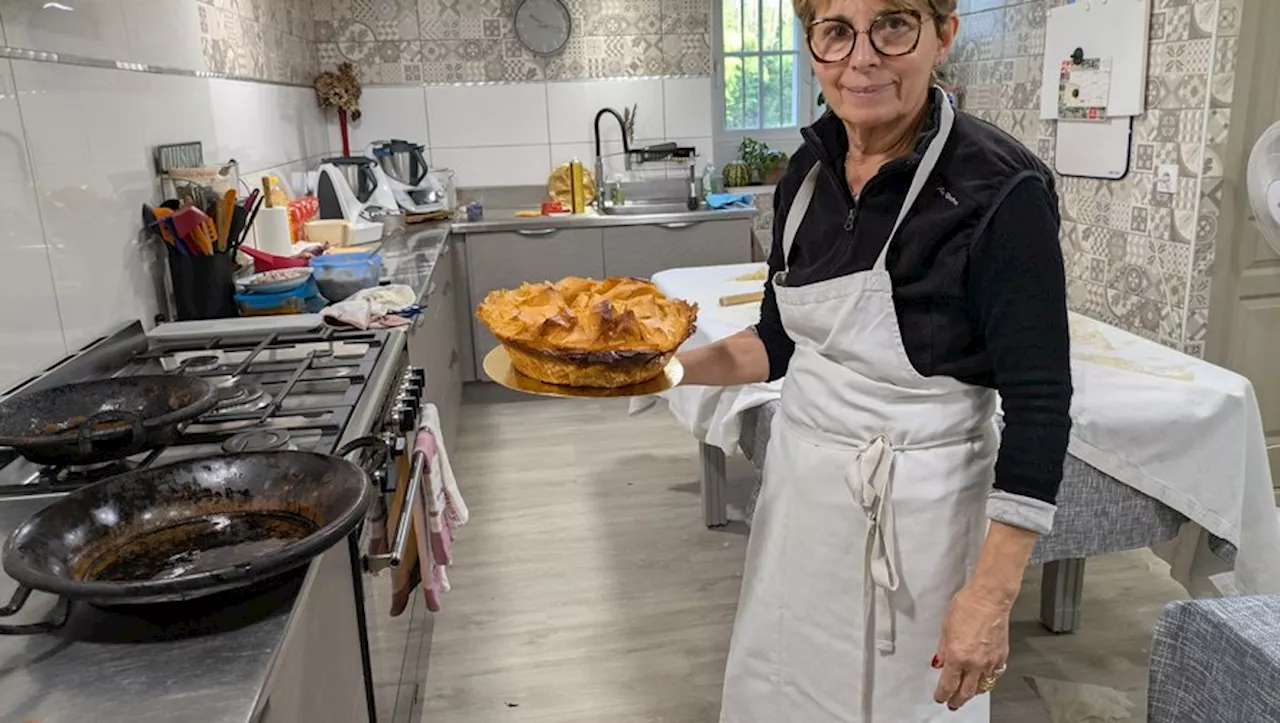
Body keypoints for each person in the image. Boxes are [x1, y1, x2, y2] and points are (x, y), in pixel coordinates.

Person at [675, 0, 1073, 720]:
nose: (862, 57)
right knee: (782, 686)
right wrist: (662, 368)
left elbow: (1042, 405)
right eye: (836, 31)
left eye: (892, 25)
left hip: (919, 516)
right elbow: (776, 343)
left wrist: (990, 595)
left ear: (942, 35)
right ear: (813, 46)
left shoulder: (1001, 191)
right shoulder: (806, 175)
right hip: (802, 501)